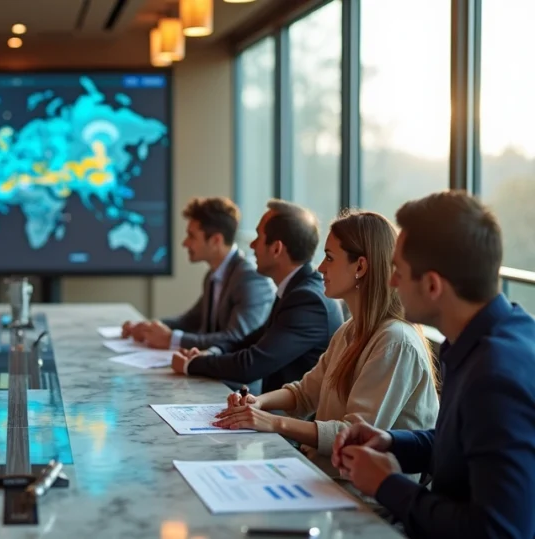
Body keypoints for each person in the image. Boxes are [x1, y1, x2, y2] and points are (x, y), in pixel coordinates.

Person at [332, 191, 535, 539]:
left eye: (398, 270)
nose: (391, 281)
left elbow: (498, 531)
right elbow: (459, 444)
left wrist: (387, 484)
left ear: (432, 285)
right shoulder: (483, 338)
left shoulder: (496, 375)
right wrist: (391, 442)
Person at [214, 210, 439, 461]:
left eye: (329, 258)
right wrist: (256, 403)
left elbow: (352, 434)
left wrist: (273, 422)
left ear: (361, 266)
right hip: (330, 474)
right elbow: (304, 393)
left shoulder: (395, 342)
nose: (320, 267)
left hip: (367, 493)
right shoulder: (350, 330)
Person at [172, 200, 344, 393]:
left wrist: (192, 364)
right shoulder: (295, 289)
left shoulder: (307, 300)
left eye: (258, 238)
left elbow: (250, 365)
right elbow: (251, 340)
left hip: (294, 418)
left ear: (276, 249)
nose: (252, 245)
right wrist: (212, 352)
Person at [121, 196, 275, 350]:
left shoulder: (250, 278)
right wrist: (146, 328)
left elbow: (236, 338)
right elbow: (190, 321)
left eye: (192, 236)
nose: (185, 243)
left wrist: (171, 340)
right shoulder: (214, 276)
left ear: (216, 240)